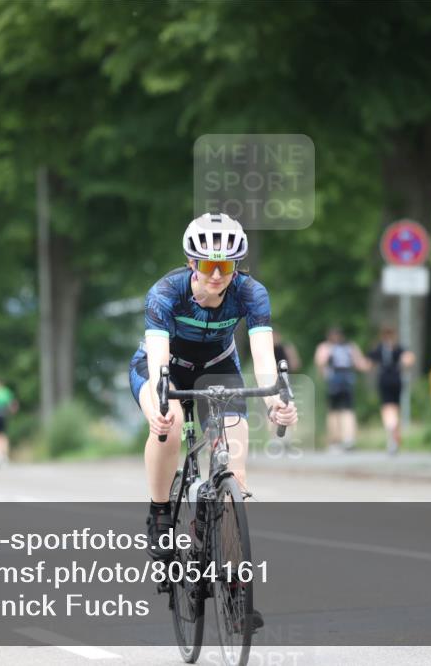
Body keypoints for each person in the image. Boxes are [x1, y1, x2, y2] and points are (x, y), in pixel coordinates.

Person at [128, 212, 297, 569]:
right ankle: (159, 512)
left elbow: (264, 359)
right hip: (164, 367)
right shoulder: (165, 292)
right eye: (208, 265)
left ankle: (234, 574)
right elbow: (158, 362)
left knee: (237, 471)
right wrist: (160, 404)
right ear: (192, 262)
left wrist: (275, 403)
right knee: (170, 421)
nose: (217, 275)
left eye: (226, 265)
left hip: (217, 368)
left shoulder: (251, 293)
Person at [314, 326, 369, 452]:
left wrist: (322, 376)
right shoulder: (350, 347)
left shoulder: (325, 347)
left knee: (333, 412)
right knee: (348, 410)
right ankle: (349, 439)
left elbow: (320, 362)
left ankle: (335, 441)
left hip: (333, 382)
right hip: (348, 381)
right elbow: (361, 364)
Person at [366, 325, 415, 455]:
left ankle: (391, 430)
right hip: (397, 379)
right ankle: (395, 434)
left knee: (387, 409)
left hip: (384, 380)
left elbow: (368, 364)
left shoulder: (380, 348)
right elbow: (409, 359)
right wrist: (402, 365)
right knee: (395, 409)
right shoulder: (398, 348)